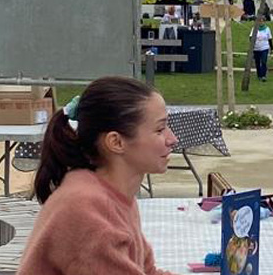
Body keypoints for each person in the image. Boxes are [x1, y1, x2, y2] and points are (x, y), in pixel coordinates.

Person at [19, 76, 178, 274]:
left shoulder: (113, 194)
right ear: (116, 142)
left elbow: (147, 270)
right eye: (160, 129)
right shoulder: (87, 210)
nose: (173, 139)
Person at [251, 16, 273, 82]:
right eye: (259, 21)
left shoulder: (267, 29)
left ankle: (263, 76)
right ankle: (259, 75)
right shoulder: (254, 28)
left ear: (264, 22)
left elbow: (270, 39)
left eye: (262, 21)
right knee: (257, 62)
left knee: (263, 61)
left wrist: (272, 48)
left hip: (264, 47)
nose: (261, 22)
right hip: (256, 48)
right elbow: (251, 37)